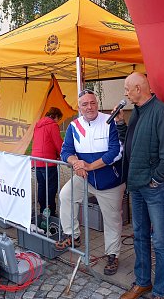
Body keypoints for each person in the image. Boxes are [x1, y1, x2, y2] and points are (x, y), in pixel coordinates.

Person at [115, 73, 164, 299]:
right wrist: (121, 124)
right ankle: (142, 282)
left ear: (139, 89)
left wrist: (156, 179)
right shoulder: (137, 113)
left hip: (153, 188)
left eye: (127, 88)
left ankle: (159, 292)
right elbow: (131, 144)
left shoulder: (161, 112)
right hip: (137, 186)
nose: (125, 93)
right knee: (140, 235)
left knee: (160, 240)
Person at [55, 89, 125, 276]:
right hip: (84, 177)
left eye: (92, 103)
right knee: (66, 195)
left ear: (97, 103)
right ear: (79, 107)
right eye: (84, 104)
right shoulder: (74, 126)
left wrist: (89, 166)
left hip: (109, 180)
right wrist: (75, 163)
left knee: (112, 219)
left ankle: (112, 254)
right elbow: (65, 151)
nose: (89, 107)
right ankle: (73, 235)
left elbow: (115, 152)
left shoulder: (109, 122)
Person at [31, 107, 63, 217]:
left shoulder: (38, 125)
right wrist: (62, 155)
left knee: (41, 185)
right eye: (59, 119)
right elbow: (58, 143)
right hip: (48, 161)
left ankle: (42, 209)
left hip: (37, 160)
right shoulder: (53, 125)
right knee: (51, 187)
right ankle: (50, 211)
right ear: (56, 116)